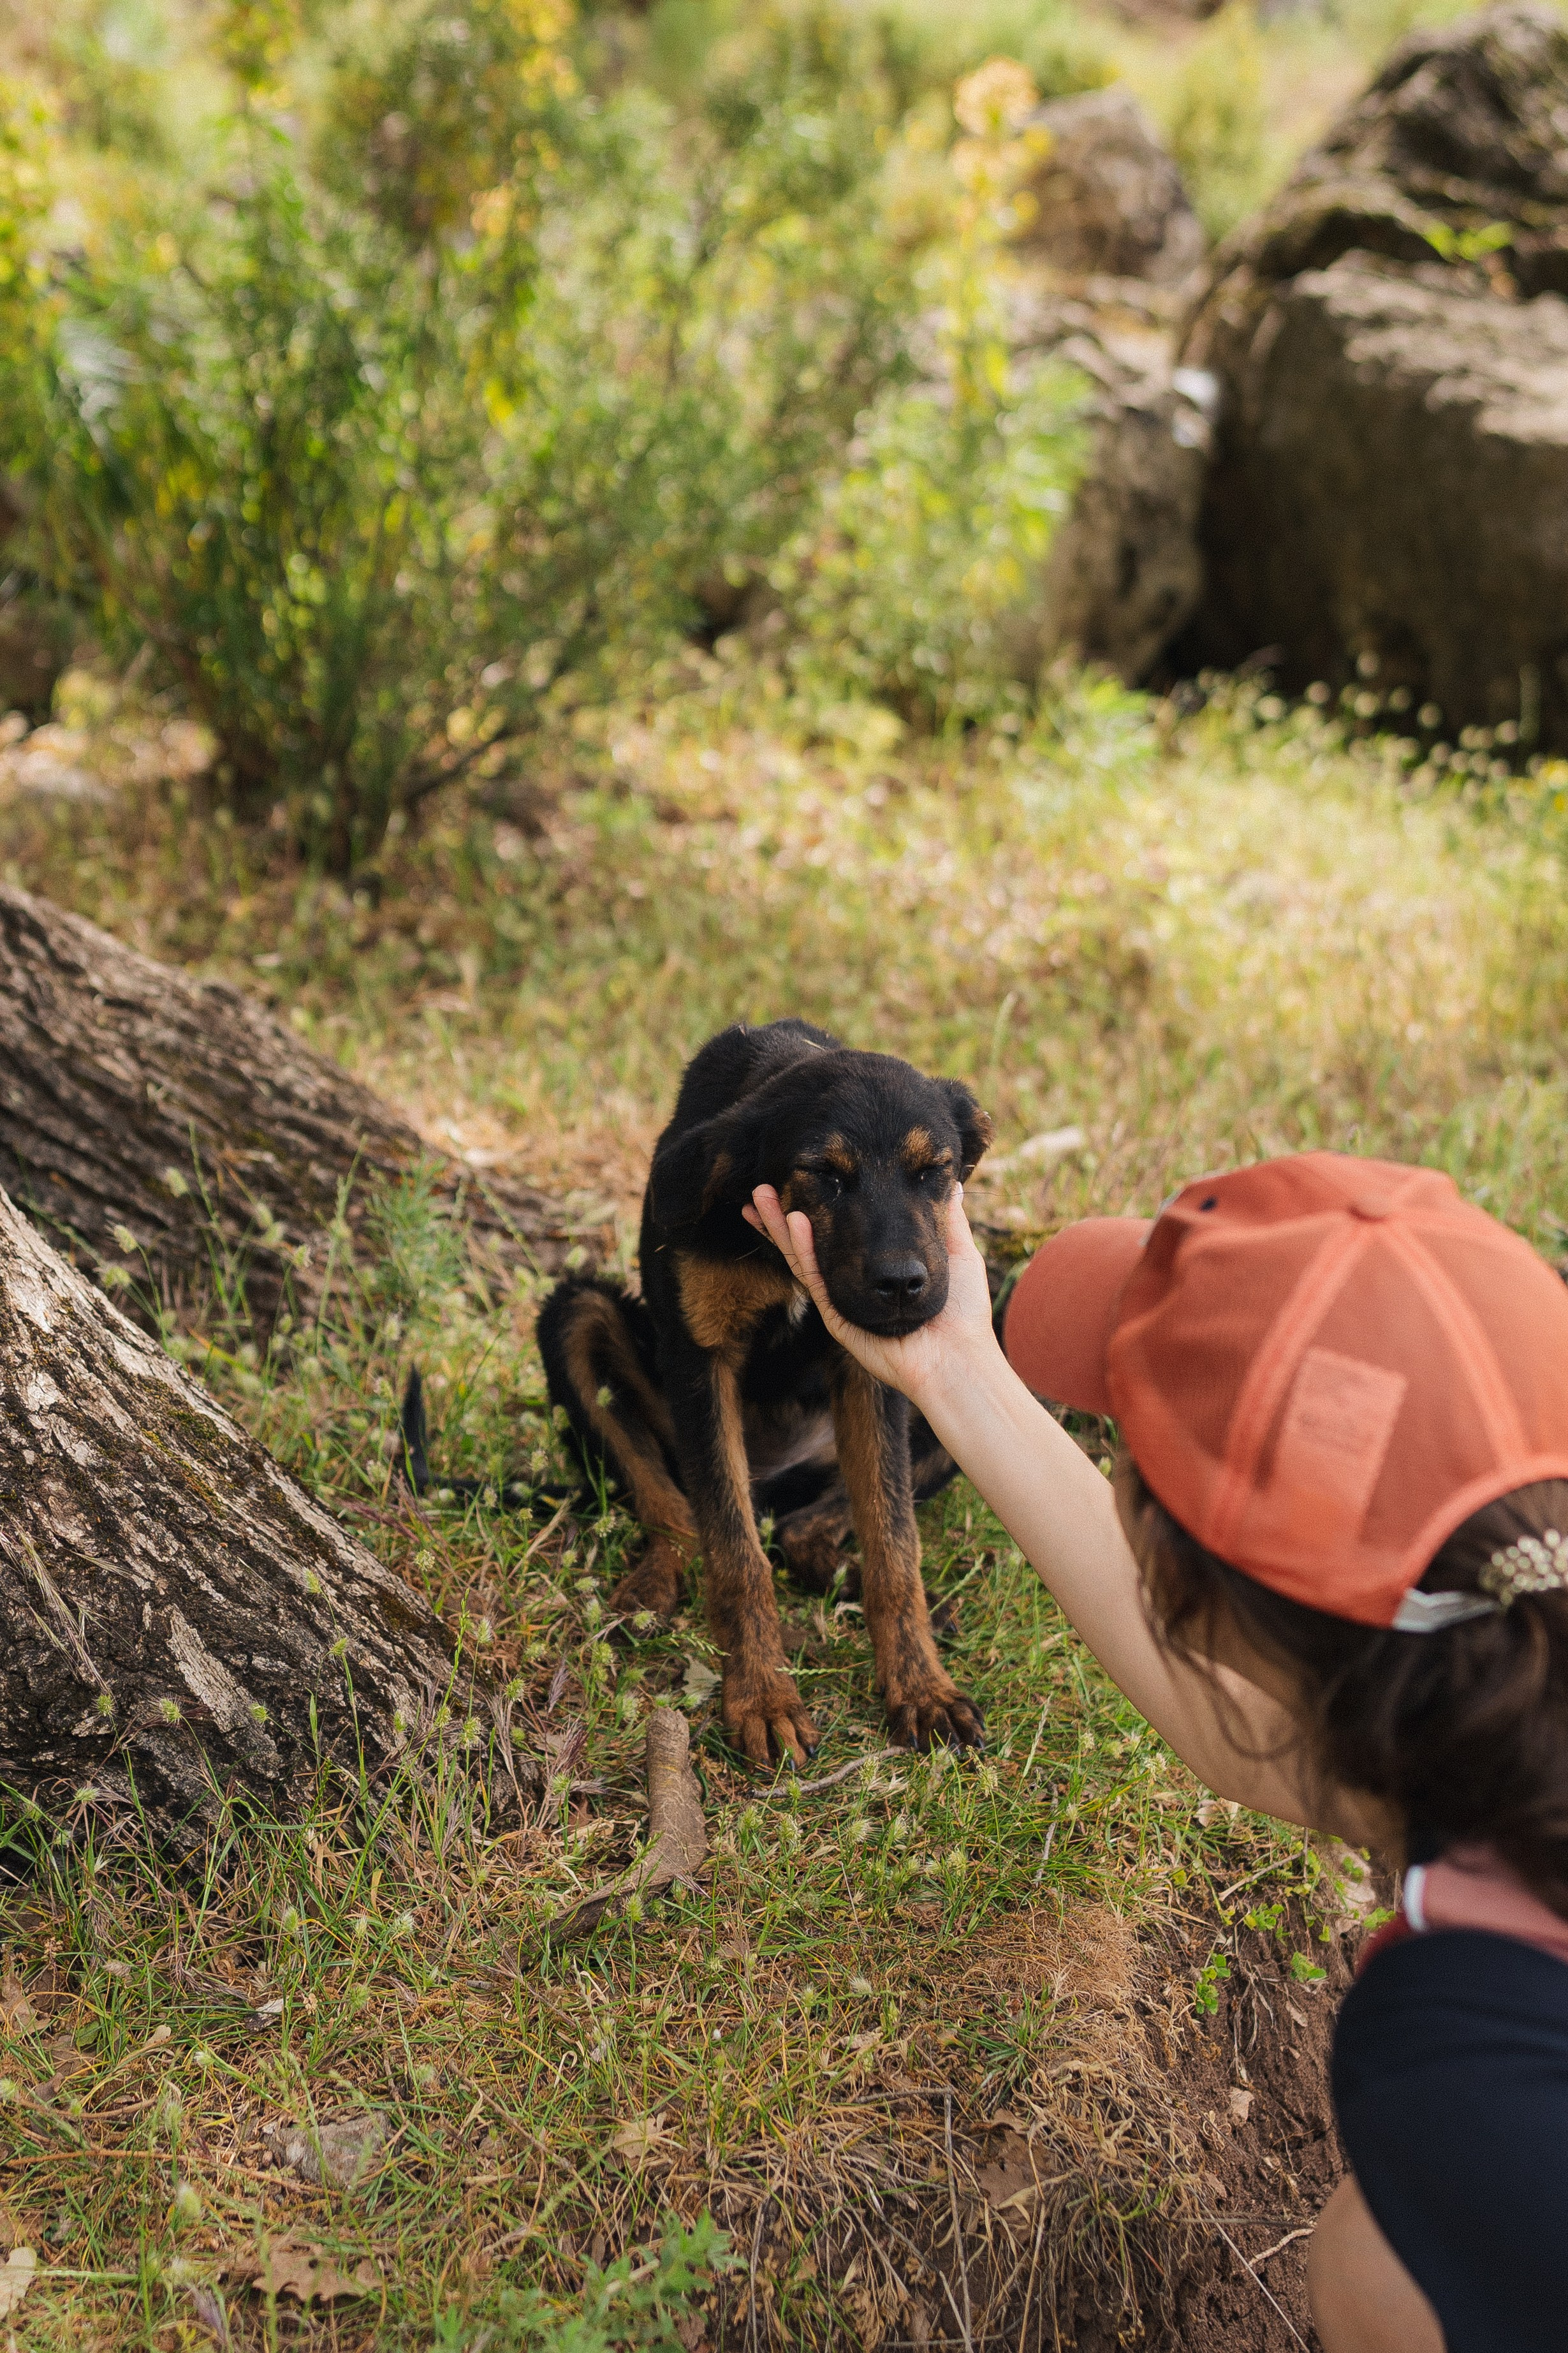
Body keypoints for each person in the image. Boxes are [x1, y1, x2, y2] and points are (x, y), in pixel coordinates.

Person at [744, 1151, 1568, 2353]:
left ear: (1193, 1588)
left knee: (1377, 2262)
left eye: (1128, 1435)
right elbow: (1288, 1748)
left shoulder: (1466, 2057)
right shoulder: (1505, 1685)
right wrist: (955, 1373)